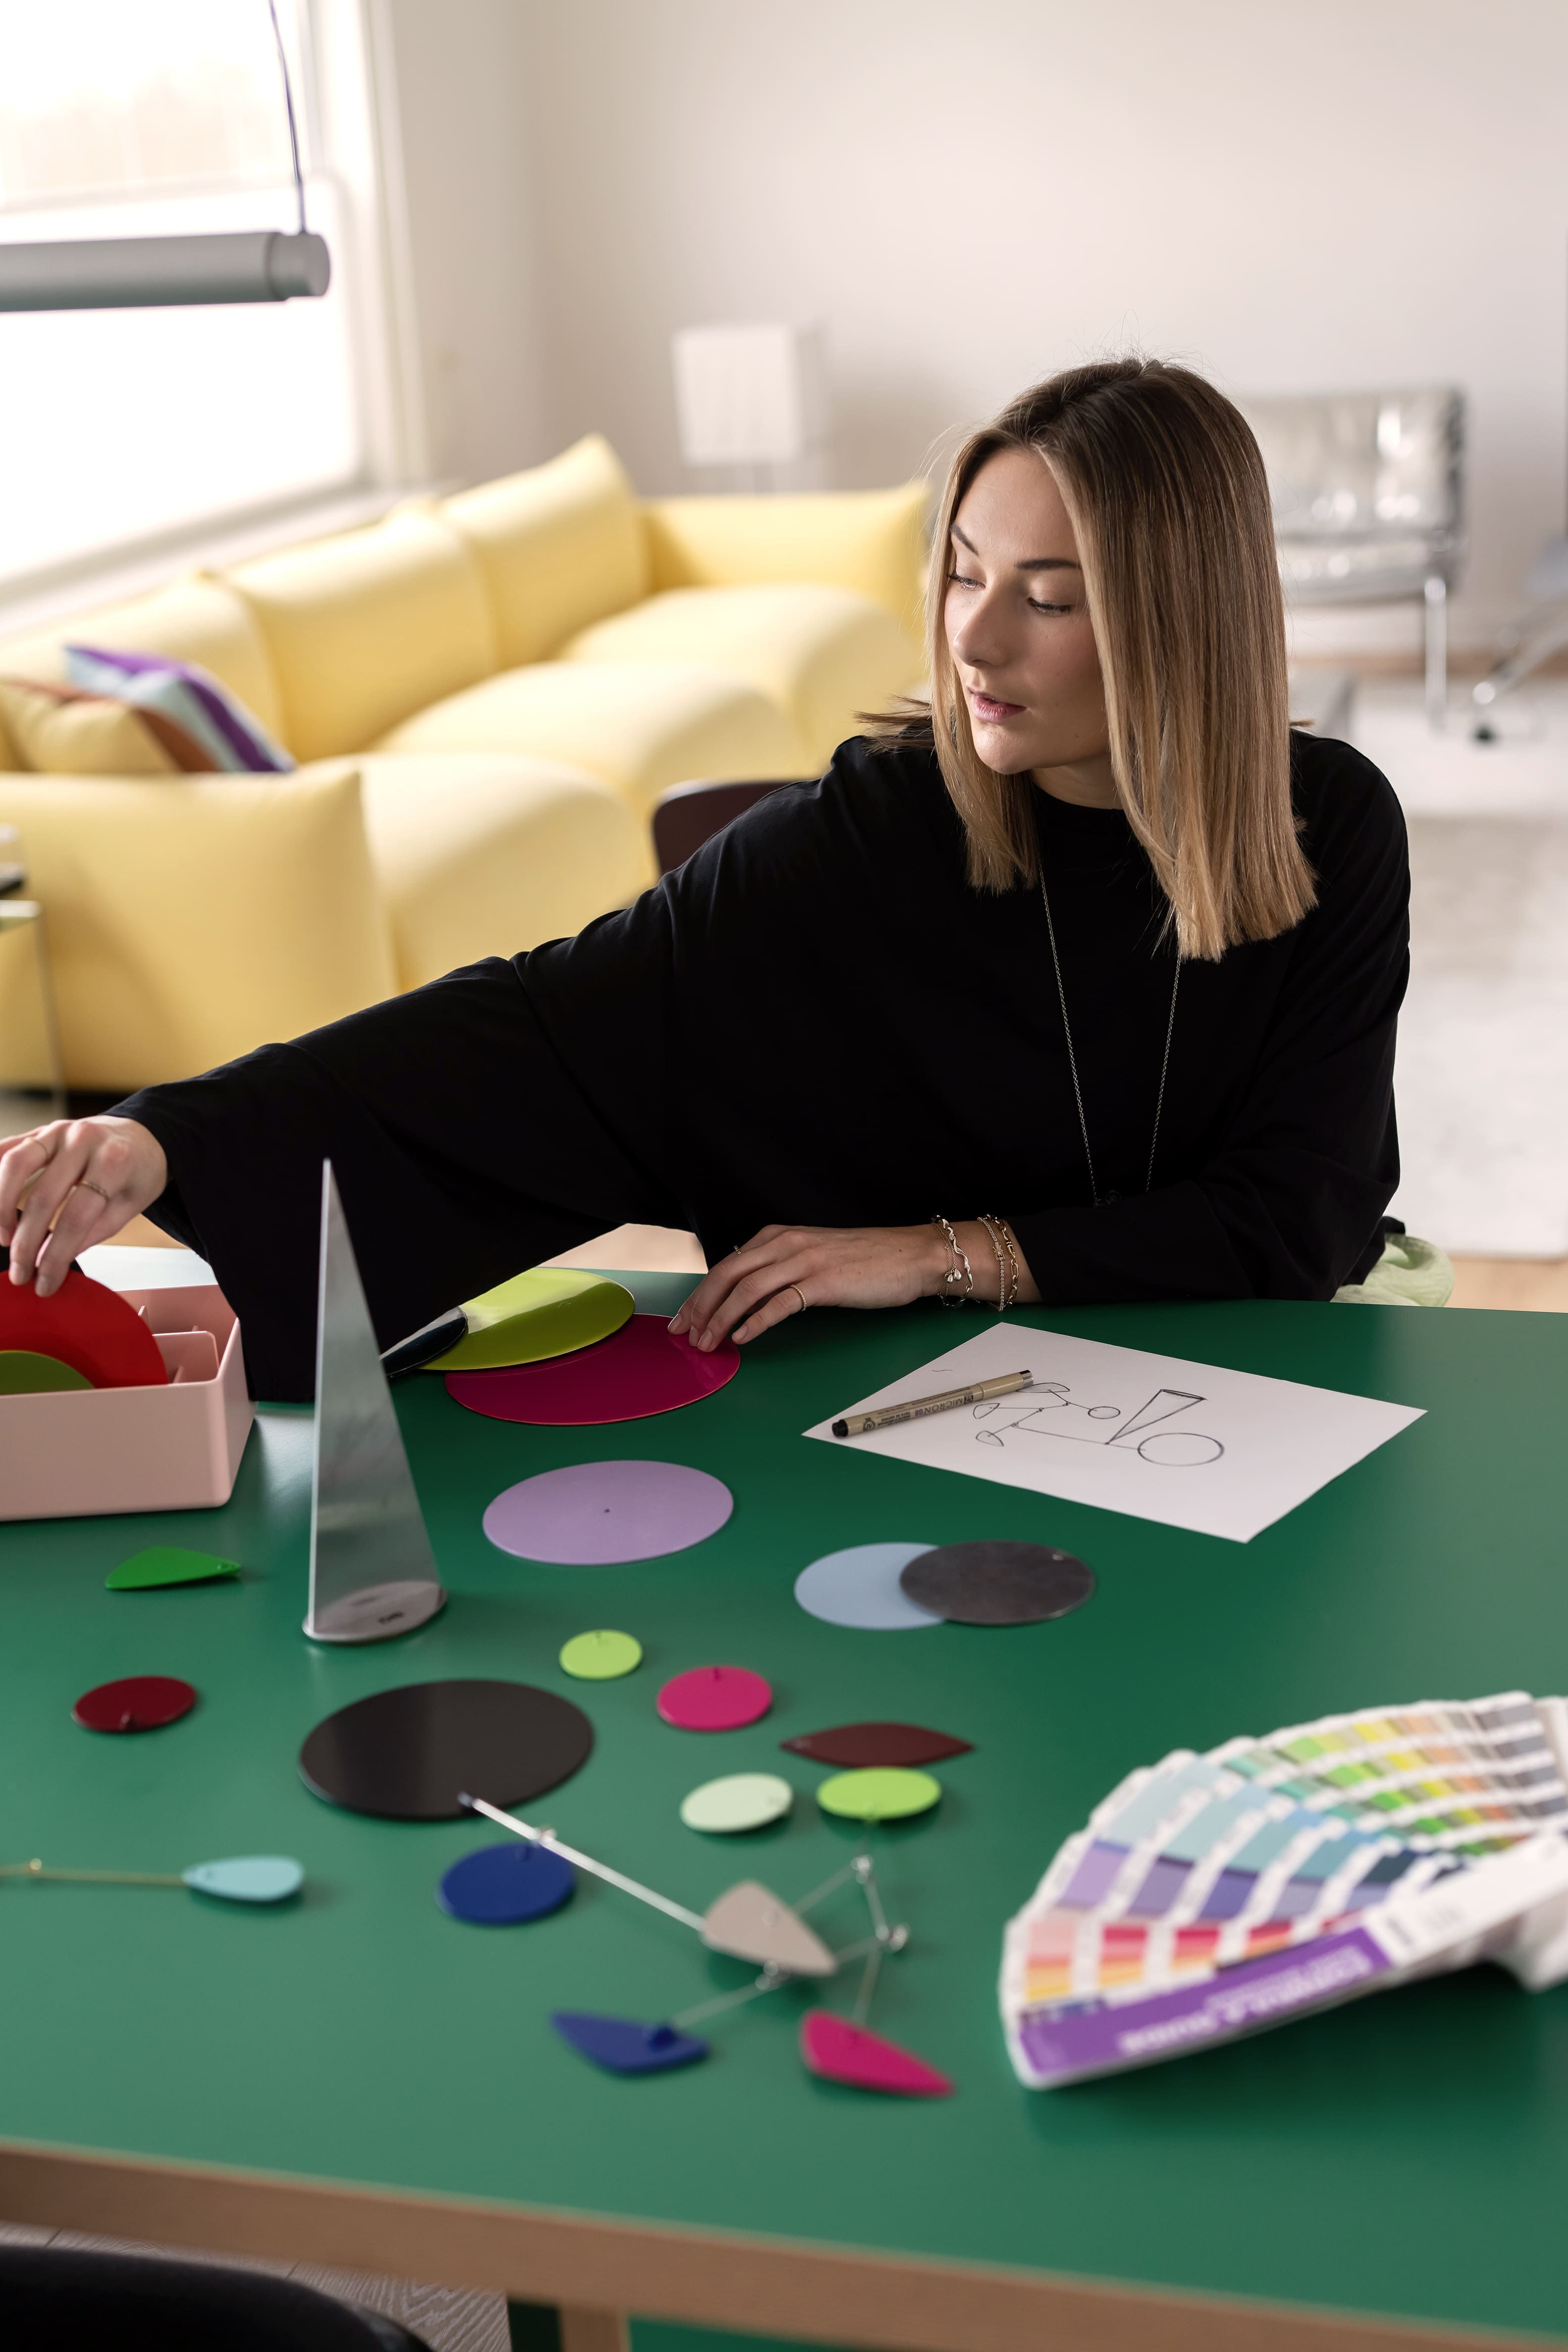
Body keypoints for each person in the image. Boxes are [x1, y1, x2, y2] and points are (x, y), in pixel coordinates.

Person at [0, 358, 1409, 1402]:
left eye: (1047, 598)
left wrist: (937, 1251)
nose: (974, 640)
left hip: (1260, 1398)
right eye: (962, 572)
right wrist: (168, 1137)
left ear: (1179, 614)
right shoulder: (875, 829)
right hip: (962, 1414)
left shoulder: (1331, 826)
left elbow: (1302, 1213)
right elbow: (540, 1030)